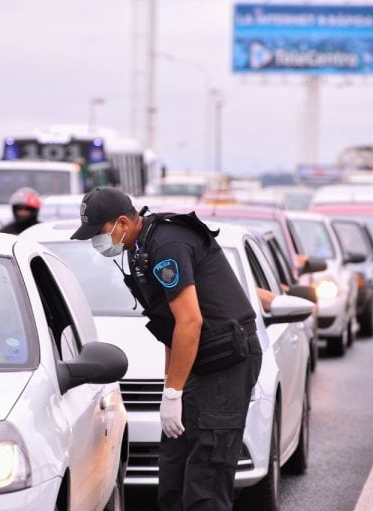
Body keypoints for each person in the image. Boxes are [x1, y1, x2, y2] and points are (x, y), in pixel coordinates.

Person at [71, 187, 262, 511]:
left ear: (122, 222)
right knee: (173, 478)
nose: (96, 243)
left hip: (226, 365)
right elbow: (170, 330)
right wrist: (169, 387)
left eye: (99, 233)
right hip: (198, 366)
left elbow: (190, 323)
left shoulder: (167, 244)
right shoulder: (139, 249)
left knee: (206, 480)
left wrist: (174, 392)